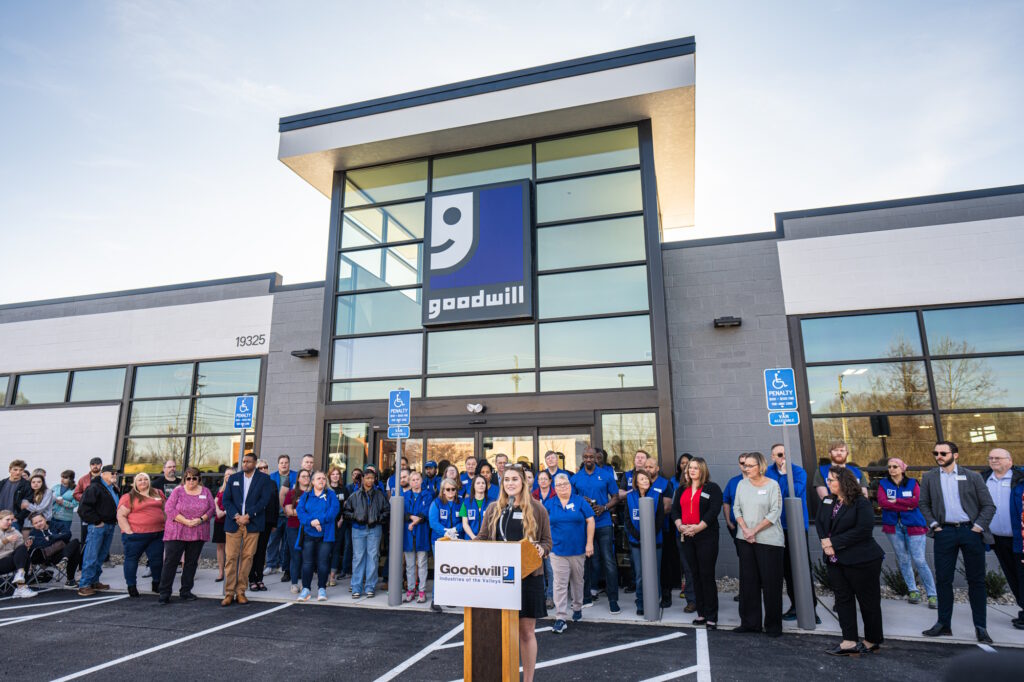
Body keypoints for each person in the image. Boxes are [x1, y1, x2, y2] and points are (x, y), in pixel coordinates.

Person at [477, 465, 552, 682]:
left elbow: (547, 542)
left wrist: (541, 549)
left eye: (515, 479)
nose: (510, 483)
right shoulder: (494, 509)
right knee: (499, 632)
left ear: (524, 483)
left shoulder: (538, 509)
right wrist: (462, 546)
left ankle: (527, 680)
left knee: (526, 632)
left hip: (529, 577)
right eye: (506, 479)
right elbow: (482, 537)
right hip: (499, 577)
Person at [920, 440, 997, 643]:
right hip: (944, 532)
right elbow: (923, 504)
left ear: (956, 455)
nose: (939, 456)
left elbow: (989, 506)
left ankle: (981, 627)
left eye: (943, 453)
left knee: (976, 581)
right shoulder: (929, 477)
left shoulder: (972, 476)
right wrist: (934, 524)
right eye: (936, 453)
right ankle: (943, 624)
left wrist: (977, 527)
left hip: (970, 531)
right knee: (943, 580)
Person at [816, 466, 885, 655]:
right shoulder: (828, 500)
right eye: (827, 480)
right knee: (842, 599)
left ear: (844, 481)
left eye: (832, 480)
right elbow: (821, 523)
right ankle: (849, 641)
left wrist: (833, 542)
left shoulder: (860, 502)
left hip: (861, 559)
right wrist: (825, 543)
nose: (828, 483)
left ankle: (872, 640)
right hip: (835, 560)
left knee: (868, 601)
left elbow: (863, 530)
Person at [765, 444, 820, 622]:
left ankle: (811, 609)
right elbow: (769, 495)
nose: (782, 457)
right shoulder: (768, 473)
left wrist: (784, 474)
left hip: (796, 526)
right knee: (787, 569)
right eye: (779, 455)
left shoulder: (798, 472)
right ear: (772, 457)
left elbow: (792, 491)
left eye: (785, 453)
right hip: (777, 527)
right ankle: (795, 606)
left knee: (802, 567)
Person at [732, 452, 784, 636]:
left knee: (771, 584)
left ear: (760, 466)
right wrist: (746, 529)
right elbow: (736, 508)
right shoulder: (741, 484)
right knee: (748, 583)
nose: (746, 469)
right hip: (745, 539)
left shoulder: (772, 485)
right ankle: (750, 623)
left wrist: (754, 531)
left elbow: (775, 511)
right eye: (745, 465)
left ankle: (773, 626)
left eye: (750, 466)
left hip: (769, 541)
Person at [877, 457, 937, 608]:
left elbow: (916, 502)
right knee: (903, 559)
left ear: (902, 468)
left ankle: (932, 594)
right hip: (893, 526)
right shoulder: (883, 484)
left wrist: (895, 502)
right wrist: (905, 504)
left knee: (919, 560)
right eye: (889, 467)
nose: (892, 469)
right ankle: (913, 590)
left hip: (914, 525)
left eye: (895, 466)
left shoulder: (912, 483)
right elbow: (882, 502)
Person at [672, 457, 722, 628]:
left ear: (702, 470)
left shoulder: (712, 488)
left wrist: (697, 528)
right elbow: (675, 510)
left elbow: (714, 511)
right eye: (689, 468)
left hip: (706, 536)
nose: (691, 470)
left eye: (695, 468)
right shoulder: (681, 490)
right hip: (687, 536)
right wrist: (680, 525)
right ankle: (701, 614)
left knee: (706, 575)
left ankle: (711, 616)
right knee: (694, 575)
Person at [571, 447, 621, 613]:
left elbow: (616, 497)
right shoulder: (576, 478)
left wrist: (604, 507)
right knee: (585, 562)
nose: (588, 459)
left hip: (603, 523)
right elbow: (571, 499)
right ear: (583, 458)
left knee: (608, 561)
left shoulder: (606, 475)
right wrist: (580, 500)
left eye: (591, 456)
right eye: (585, 456)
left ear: (596, 458)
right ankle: (585, 597)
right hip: (583, 525)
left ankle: (613, 599)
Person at [222, 452, 274, 606]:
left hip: (253, 523)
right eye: (243, 461)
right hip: (234, 523)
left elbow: (264, 500)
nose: (244, 464)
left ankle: (241, 591)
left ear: (255, 463)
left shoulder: (264, 479)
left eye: (248, 461)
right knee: (231, 558)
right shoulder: (234, 478)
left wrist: (249, 515)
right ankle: (229, 593)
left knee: (247, 558)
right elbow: (226, 500)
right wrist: (237, 516)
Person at [158, 467, 215, 604]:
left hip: (197, 531)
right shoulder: (178, 491)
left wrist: (200, 520)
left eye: (194, 478)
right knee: (170, 562)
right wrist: (186, 521)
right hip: (177, 532)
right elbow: (169, 509)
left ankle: (186, 591)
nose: (191, 481)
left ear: (199, 479)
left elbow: (212, 509)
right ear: (184, 479)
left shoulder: (206, 492)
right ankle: (164, 593)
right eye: (188, 478)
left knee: (191, 563)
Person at [545, 472, 594, 632]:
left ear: (570, 486)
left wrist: (589, 543)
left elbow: (590, 520)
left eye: (565, 484)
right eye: (559, 485)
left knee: (577, 581)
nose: (563, 487)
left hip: (578, 549)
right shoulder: (550, 504)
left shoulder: (580, 501)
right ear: (555, 488)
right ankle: (560, 617)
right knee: (559, 583)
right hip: (557, 550)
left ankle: (577, 607)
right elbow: (542, 524)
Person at [980, 448, 1024, 626]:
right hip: (997, 539)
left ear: (1009, 460)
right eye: (990, 458)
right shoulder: (984, 479)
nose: (993, 460)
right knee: (1012, 575)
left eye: (998, 458)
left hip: (1019, 539)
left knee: (1022, 575)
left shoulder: (1019, 479)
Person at [116, 472, 165, 598]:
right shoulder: (129, 497)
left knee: (157, 561)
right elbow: (121, 515)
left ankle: (156, 583)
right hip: (135, 536)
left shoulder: (158, 493)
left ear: (149, 481)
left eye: (145, 479)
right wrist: (128, 531)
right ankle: (131, 586)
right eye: (140, 480)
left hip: (157, 534)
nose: (143, 482)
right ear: (135, 483)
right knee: (132, 561)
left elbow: (165, 510)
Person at [344, 467, 389, 598]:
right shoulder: (354, 495)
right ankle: (356, 587)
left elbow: (387, 511)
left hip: (374, 529)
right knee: (358, 558)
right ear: (362, 479)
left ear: (375, 479)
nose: (370, 480)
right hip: (358, 529)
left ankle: (370, 586)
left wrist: (378, 519)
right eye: (367, 478)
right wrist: (356, 517)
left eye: (372, 478)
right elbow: (346, 512)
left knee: (373, 558)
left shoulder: (380, 495)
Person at [295, 470, 339, 602]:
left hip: (325, 535)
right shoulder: (306, 496)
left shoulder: (331, 495)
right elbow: (300, 511)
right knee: (307, 563)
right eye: (318, 478)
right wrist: (312, 522)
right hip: (309, 533)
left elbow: (333, 511)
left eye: (323, 478)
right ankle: (306, 589)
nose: (321, 480)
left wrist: (318, 521)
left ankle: (321, 588)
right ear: (312, 481)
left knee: (323, 563)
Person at [624, 469, 663, 615]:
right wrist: (640, 536)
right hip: (636, 542)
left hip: (655, 542)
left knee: (654, 573)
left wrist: (649, 536)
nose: (645, 481)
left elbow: (659, 520)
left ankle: (654, 602)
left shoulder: (657, 496)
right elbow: (627, 520)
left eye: (647, 478)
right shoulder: (629, 497)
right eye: (642, 479)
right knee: (640, 575)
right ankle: (640, 603)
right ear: (636, 482)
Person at [77, 464, 120, 597]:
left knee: (101, 555)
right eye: (111, 473)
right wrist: (96, 521)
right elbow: (83, 508)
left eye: (115, 473)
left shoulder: (113, 488)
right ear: (103, 474)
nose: (114, 475)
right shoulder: (94, 487)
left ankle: (94, 580)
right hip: (98, 527)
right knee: (91, 555)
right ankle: (84, 585)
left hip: (110, 525)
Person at [428, 479, 463, 612]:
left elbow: (463, 521)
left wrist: (455, 529)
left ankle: (449, 597)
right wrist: (445, 531)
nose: (450, 492)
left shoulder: (460, 503)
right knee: (440, 570)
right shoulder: (436, 503)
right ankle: (435, 600)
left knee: (452, 570)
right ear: (442, 490)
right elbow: (433, 522)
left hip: (455, 540)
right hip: (439, 541)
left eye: (453, 489)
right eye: (447, 489)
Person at [26, 512, 81, 588]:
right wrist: (59, 537)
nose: (39, 524)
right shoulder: (33, 533)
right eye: (35, 523)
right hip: (49, 558)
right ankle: (70, 580)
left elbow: (68, 534)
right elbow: (40, 545)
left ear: (45, 519)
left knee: (75, 542)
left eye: (40, 521)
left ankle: (64, 560)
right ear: (32, 525)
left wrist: (51, 538)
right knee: (73, 551)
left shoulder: (55, 524)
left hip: (63, 553)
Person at [720, 453, 746, 603]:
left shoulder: (760, 481)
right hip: (737, 528)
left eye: (747, 463)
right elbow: (726, 501)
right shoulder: (733, 482)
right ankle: (744, 592)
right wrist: (729, 521)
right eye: (742, 463)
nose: (745, 466)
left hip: (758, 530)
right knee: (744, 560)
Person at [266, 454, 297, 579]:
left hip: (290, 515)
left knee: (286, 542)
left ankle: (283, 566)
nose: (284, 464)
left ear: (289, 463)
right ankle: (271, 564)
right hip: (276, 515)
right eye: (281, 462)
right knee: (273, 540)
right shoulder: (271, 477)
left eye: (286, 462)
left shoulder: (295, 476)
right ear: (278, 464)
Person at [403, 470, 432, 603]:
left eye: (417, 479)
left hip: (421, 533)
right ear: (409, 482)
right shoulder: (405, 495)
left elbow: (425, 513)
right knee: (409, 565)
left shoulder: (427, 495)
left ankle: (422, 590)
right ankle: (410, 589)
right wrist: (410, 517)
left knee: (422, 563)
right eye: (413, 480)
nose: (415, 482)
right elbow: (403, 512)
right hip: (408, 534)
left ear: (421, 481)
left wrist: (413, 522)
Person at [249, 459, 277, 592]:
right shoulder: (251, 483)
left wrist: (274, 523)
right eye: (260, 468)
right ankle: (251, 579)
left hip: (267, 523)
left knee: (261, 552)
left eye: (265, 467)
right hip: (253, 523)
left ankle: (259, 579)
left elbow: (275, 504)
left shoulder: (272, 483)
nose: (263, 470)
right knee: (252, 552)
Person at [283, 469, 312, 594]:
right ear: (298, 479)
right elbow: (288, 511)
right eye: (303, 476)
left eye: (308, 476)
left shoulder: (314, 494)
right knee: (295, 556)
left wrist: (299, 513)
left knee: (308, 557)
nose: (306, 478)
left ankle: (305, 585)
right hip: (294, 528)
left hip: (309, 528)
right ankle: (294, 584)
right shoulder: (292, 493)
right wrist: (306, 514)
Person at [1, 510, 37, 597]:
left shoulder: (15, 532)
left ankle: (20, 578)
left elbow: (20, 550)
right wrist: (6, 540)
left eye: (12, 520)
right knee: (24, 557)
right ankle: (21, 587)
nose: (10, 522)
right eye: (7, 519)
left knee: (23, 549)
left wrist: (27, 546)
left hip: (10, 561)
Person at [73, 458, 103, 544]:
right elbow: (76, 493)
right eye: (93, 464)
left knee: (101, 535)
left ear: (101, 465)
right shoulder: (83, 479)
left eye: (97, 464)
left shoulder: (105, 478)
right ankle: (83, 555)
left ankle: (102, 557)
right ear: (90, 466)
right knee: (85, 535)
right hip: (87, 511)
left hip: (101, 511)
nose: (95, 466)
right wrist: (87, 498)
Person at [326, 465, 347, 587]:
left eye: (337, 474)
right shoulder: (326, 490)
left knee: (336, 550)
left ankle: (332, 576)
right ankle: (325, 575)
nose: (335, 476)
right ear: (329, 476)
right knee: (325, 550)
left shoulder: (343, 490)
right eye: (333, 474)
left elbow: (346, 507)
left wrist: (341, 519)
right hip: (327, 524)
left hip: (339, 524)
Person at [213, 467, 234, 582]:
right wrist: (218, 511)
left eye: (231, 474)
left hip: (230, 521)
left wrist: (224, 512)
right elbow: (215, 502)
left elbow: (236, 504)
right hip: (219, 521)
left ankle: (229, 571)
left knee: (230, 548)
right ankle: (221, 572)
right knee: (220, 547)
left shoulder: (236, 489)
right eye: (226, 474)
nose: (228, 476)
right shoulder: (221, 489)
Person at [459, 475, 491, 540]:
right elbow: (465, 523)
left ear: (486, 486)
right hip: (470, 539)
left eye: (483, 483)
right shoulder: (466, 502)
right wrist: (473, 537)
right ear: (473, 486)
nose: (481, 485)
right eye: (478, 483)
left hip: (487, 540)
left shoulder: (492, 502)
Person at [50, 470, 78, 536]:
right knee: (52, 535)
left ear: (71, 479)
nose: (62, 479)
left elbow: (75, 504)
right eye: (62, 477)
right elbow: (49, 498)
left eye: (65, 478)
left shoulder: (75, 489)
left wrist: (63, 502)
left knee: (63, 536)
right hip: (53, 516)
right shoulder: (56, 487)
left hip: (65, 518)